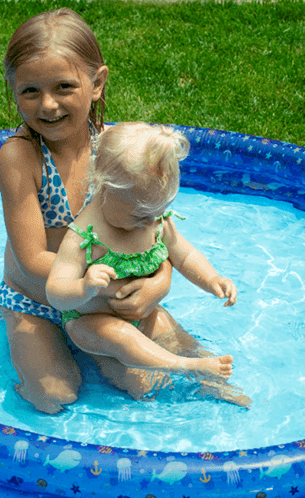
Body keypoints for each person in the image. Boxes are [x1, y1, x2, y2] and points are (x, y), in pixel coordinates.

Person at [0, 8, 177, 414]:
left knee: (151, 383)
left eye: (64, 87)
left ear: (97, 83)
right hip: (39, 302)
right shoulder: (21, 158)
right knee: (54, 397)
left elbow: (154, 227)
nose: (48, 105)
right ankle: (24, 343)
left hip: (100, 299)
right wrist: (105, 285)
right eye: (30, 91)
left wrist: (157, 284)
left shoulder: (114, 148)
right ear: (13, 89)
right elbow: (31, 259)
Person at [46, 122, 248, 397]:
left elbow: (185, 255)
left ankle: (212, 380)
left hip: (143, 314)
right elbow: (55, 292)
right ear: (103, 186)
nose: (151, 222)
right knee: (125, 346)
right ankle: (183, 366)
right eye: (140, 215)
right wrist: (85, 286)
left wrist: (212, 279)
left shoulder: (152, 218)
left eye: (159, 211)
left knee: (175, 335)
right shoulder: (85, 236)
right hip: (91, 324)